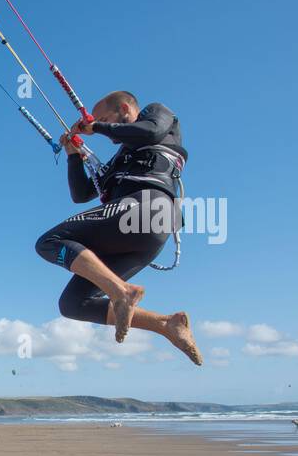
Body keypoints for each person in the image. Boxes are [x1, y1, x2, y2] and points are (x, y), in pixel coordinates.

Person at [35, 91, 202, 365]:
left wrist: (97, 127)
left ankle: (122, 292)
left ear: (125, 108)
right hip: (136, 235)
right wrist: (73, 156)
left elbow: (150, 131)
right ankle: (166, 325)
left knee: (50, 241)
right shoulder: (119, 160)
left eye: (103, 118)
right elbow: (82, 194)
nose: (99, 126)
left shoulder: (158, 114)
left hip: (150, 209)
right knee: (73, 304)